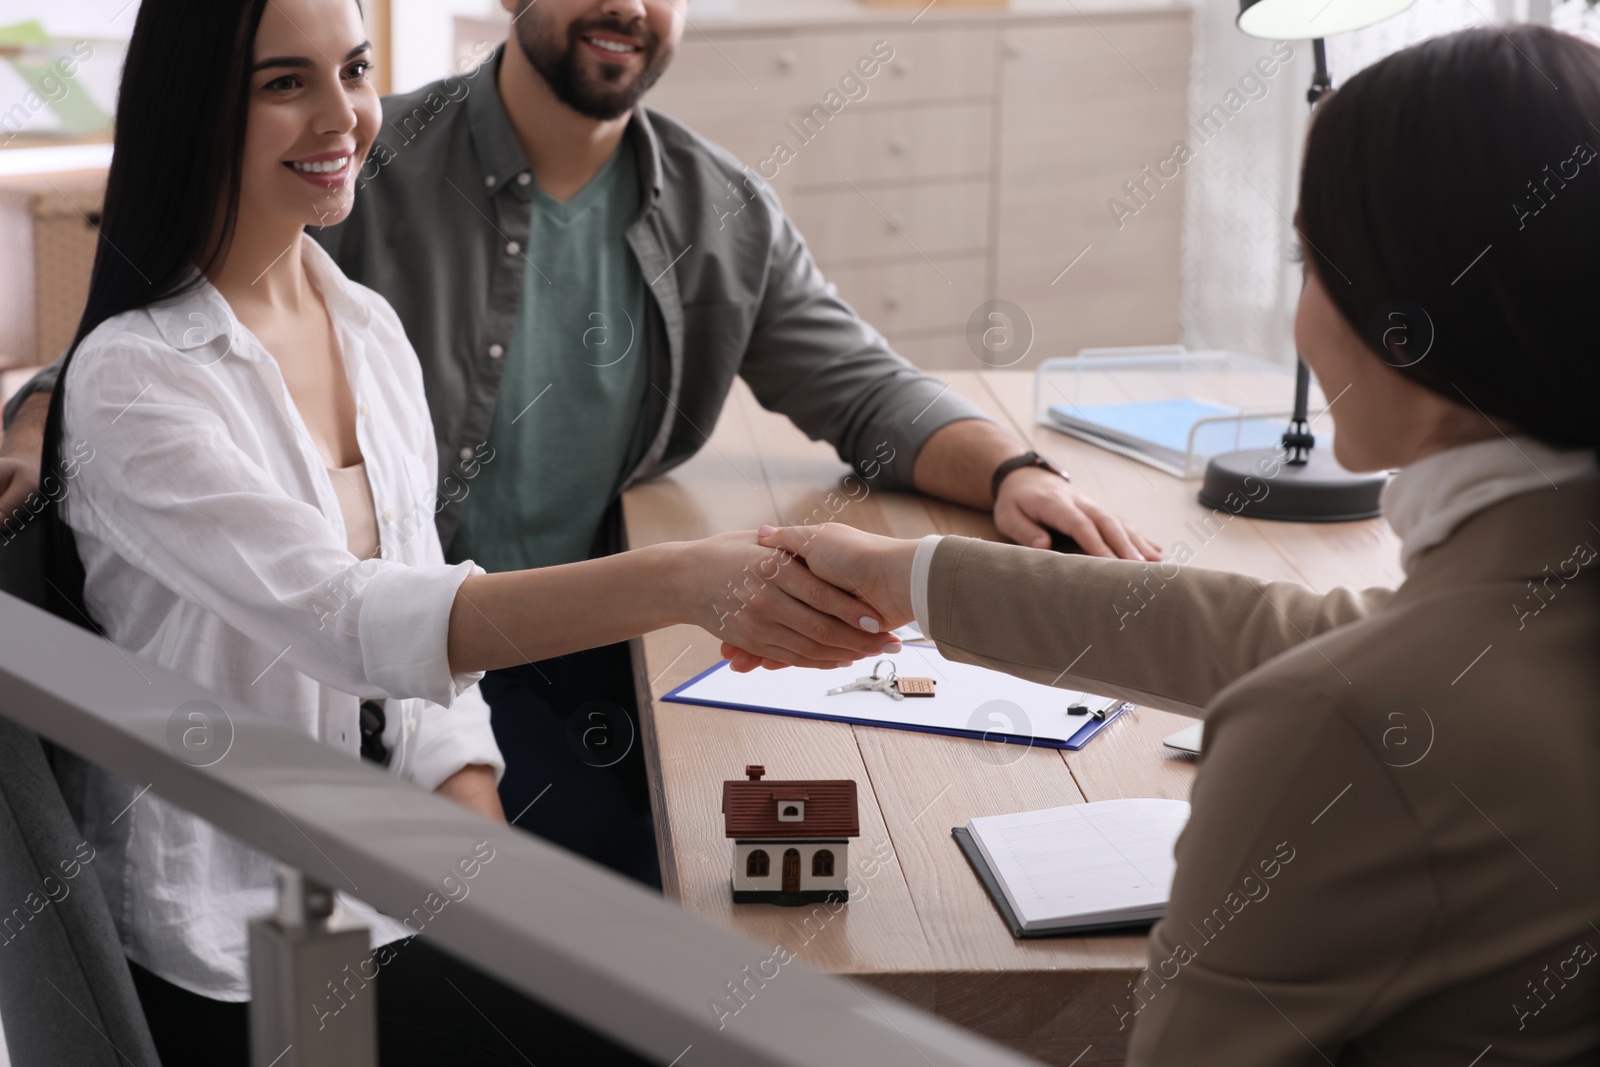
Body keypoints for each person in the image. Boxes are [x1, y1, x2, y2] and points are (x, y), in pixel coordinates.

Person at [0, 0, 1165, 888]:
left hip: (572, 651)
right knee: (660, 919)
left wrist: (1014, 472)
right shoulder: (361, 174)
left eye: (350, 69)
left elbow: (861, 382)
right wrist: (40, 432)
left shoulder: (717, 211)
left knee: (784, 866)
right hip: (425, 670)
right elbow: (178, 356)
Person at [35, 0, 900, 1063]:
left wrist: (487, 861)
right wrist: (682, 578)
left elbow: (424, 670)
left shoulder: (362, 324)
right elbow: (359, 624)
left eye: (351, 71)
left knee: (721, 985)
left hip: (388, 885)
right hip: (240, 943)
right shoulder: (138, 377)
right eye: (282, 83)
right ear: (195, 111)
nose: (342, 117)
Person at [746, 25, 1600, 1065]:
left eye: (1307, 258)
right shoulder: (1533, 600)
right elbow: (1305, 637)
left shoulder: (1337, 724)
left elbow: (1332, 690)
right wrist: (910, 576)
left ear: (1397, 314)